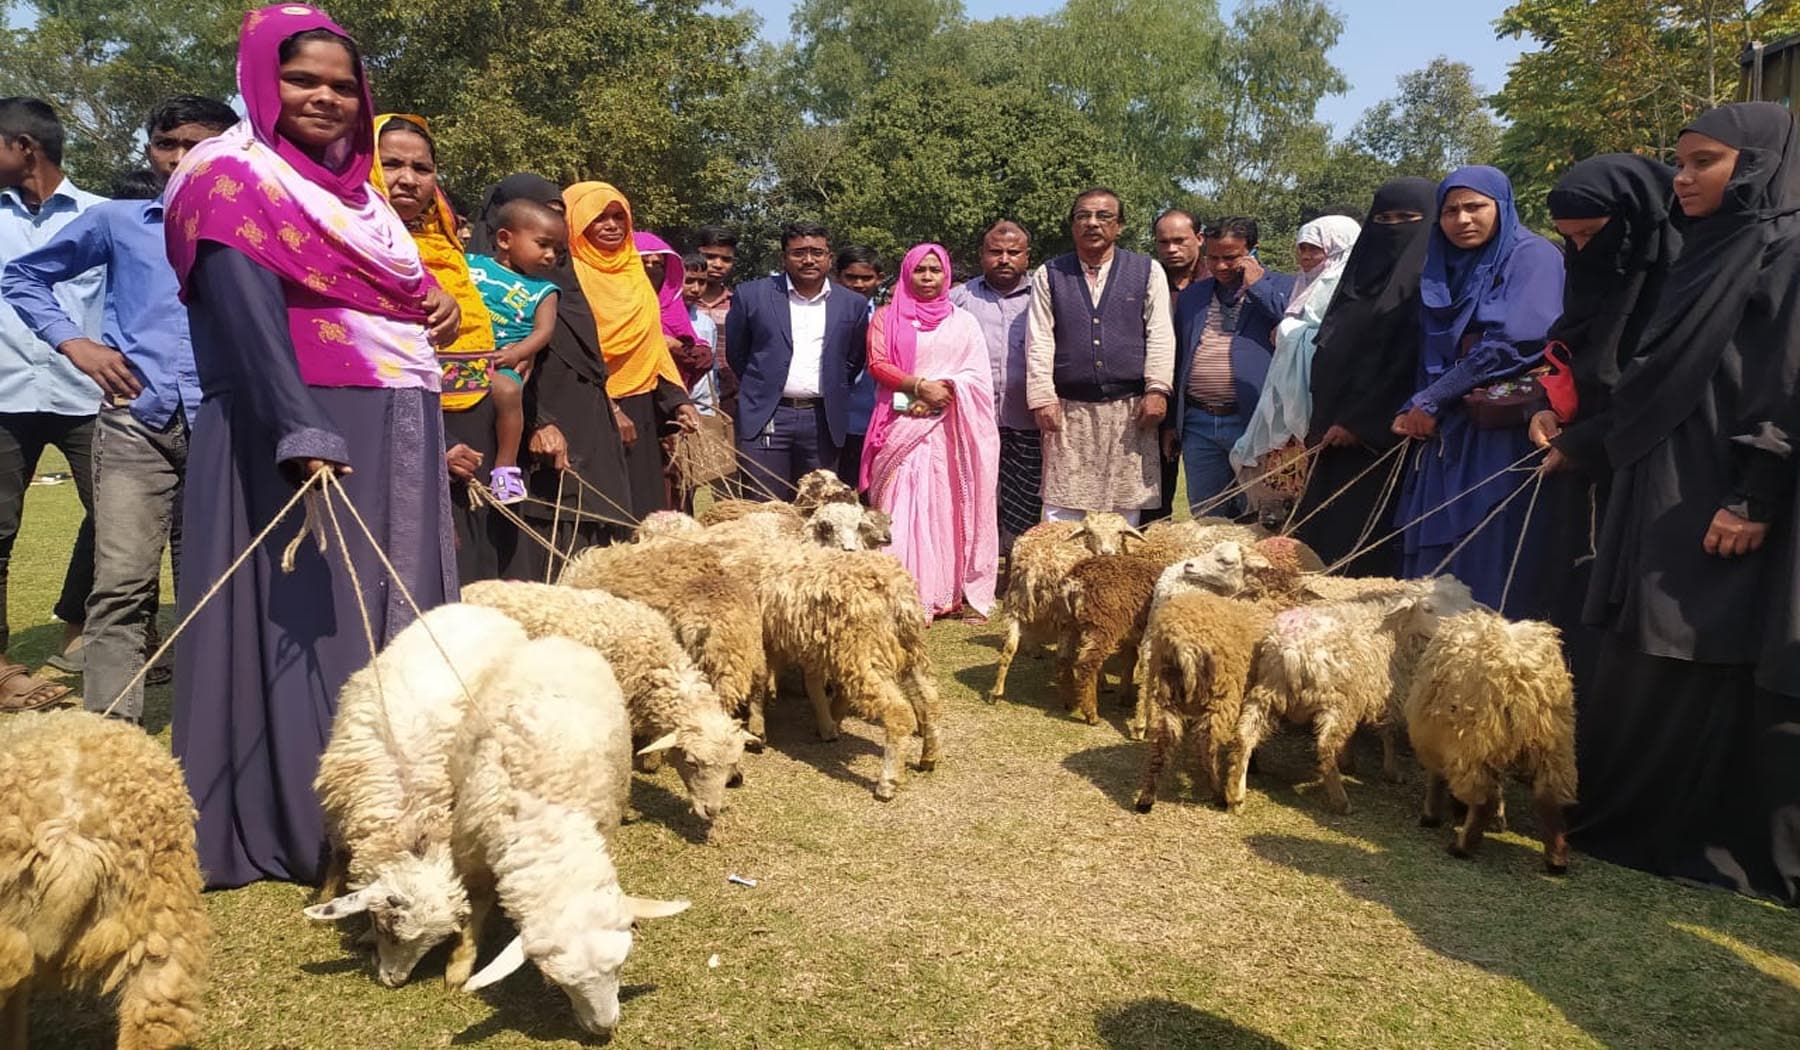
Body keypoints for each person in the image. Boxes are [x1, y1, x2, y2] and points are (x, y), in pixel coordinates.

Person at [163, 4, 460, 887]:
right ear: (261, 80)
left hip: (392, 415)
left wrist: (430, 307)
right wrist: (298, 424)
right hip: (297, 423)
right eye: (303, 80)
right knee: (312, 619)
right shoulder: (228, 177)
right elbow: (246, 316)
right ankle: (310, 817)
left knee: (391, 607)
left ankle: (402, 799)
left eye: (342, 84)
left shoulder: (362, 198)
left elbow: (392, 296)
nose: (326, 98)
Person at [1577, 104, 1800, 905]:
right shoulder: (1709, 247)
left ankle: (1697, 835)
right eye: (1680, 161)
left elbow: (1784, 380)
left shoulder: (1786, 247)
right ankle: (1631, 821)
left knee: (1692, 641)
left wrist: (1755, 492)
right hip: (1669, 476)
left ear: (1758, 164)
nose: (1683, 177)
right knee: (1651, 639)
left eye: (1705, 161)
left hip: (1724, 486)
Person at [1, 95, 236, 724]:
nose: (181, 158)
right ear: (150, 151)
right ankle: (111, 732)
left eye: (198, 143)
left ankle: (212, 725)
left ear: (233, 149)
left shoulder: (255, 225)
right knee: (122, 586)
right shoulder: (120, 222)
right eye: (167, 144)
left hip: (226, 426)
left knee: (214, 583)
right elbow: (22, 278)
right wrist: (75, 344)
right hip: (138, 425)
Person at [1525, 153, 1679, 692]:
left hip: (1649, 467)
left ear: (1633, 221)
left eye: (1592, 233)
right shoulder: (1588, 278)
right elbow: (1570, 353)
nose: (1583, 249)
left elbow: (1663, 384)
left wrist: (1588, 439)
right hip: (1583, 457)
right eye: (1571, 238)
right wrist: (1544, 409)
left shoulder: (1676, 281)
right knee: (1573, 583)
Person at [1391, 167, 1564, 616]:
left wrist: (1430, 400)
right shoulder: (1442, 266)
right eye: (1450, 210)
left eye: (1475, 207)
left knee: (1490, 553)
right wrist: (1419, 404)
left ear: (1501, 208)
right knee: (1434, 571)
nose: (1462, 220)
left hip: (1498, 438)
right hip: (1448, 435)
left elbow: (1511, 344)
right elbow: (1431, 349)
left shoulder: (1532, 257)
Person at [370, 113, 523, 583]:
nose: (408, 179)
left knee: (473, 561)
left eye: (422, 168)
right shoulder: (356, 241)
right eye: (391, 164)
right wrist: (437, 445)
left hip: (472, 410)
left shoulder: (445, 242)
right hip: (398, 422)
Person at [467, 174, 634, 565]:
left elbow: (584, 355)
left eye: (559, 221)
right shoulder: (481, 280)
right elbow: (503, 360)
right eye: (542, 221)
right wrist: (540, 421)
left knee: (595, 536)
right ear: (504, 232)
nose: (552, 250)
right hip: (535, 429)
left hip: (588, 426)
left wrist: (611, 406)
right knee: (540, 545)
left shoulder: (552, 284)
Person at [0, 96, 104, 705]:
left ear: (24, 148)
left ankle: (80, 634)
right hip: (5, 394)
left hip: (87, 397)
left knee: (116, 521)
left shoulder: (102, 217)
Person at [1292, 177, 1436, 576]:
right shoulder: (1357, 280)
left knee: (1367, 552)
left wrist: (1360, 423)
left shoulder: (1429, 286)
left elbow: (1408, 363)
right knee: (1319, 544)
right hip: (1332, 435)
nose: (1393, 228)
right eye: (1384, 218)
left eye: (1407, 218)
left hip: (1386, 443)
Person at [860, 243, 999, 619]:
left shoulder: (963, 322)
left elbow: (977, 378)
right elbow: (877, 364)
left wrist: (945, 390)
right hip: (899, 424)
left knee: (945, 508)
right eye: (919, 270)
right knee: (900, 509)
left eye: (934, 270)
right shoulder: (886, 318)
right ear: (906, 273)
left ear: (946, 275)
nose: (926, 277)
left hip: (950, 432)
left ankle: (944, 591)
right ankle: (896, 592)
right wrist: (919, 389)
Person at [1023, 188, 1175, 524]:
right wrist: (1042, 397)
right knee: (1062, 506)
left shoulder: (1147, 271)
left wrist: (1157, 390)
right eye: (1083, 216)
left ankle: (1115, 577)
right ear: (1072, 225)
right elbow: (1039, 339)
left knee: (1124, 507)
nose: (1093, 223)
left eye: (1103, 216)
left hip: (1130, 409)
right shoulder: (1050, 274)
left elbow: (1161, 334)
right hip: (1068, 409)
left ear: (1119, 225)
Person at [562, 182, 698, 519]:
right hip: (585, 406)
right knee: (599, 512)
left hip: (640, 404)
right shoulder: (566, 277)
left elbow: (651, 343)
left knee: (643, 508)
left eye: (618, 216)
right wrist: (610, 409)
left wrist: (678, 400)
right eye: (598, 218)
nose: (612, 226)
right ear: (575, 222)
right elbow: (569, 352)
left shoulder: (635, 272)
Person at [1231, 215, 1361, 524]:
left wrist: (1288, 331)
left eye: (1314, 250)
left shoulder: (1347, 289)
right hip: (1288, 405)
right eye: (1301, 249)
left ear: (1339, 249)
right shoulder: (1307, 286)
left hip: (1322, 409)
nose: (1305, 257)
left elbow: (1329, 338)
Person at [726, 221, 869, 498]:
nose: (808, 260)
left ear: (829, 257)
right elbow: (738, 354)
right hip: (768, 415)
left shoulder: (852, 304)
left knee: (819, 506)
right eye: (798, 252)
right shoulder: (752, 295)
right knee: (765, 507)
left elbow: (852, 361)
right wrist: (764, 388)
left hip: (823, 419)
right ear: (784, 257)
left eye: (817, 252)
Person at [1168, 217, 1295, 517]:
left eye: (1231, 257)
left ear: (1253, 251)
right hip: (1199, 422)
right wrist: (1173, 422)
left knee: (1260, 514)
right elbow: (1179, 357)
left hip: (1255, 421)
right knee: (1208, 517)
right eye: (1213, 258)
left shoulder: (1284, 287)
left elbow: (1292, 327)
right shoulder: (1193, 296)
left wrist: (1257, 286)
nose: (1221, 266)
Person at [467, 198, 565, 503]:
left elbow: (543, 331)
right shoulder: (470, 265)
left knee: (508, 391)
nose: (550, 256)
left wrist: (517, 354)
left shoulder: (544, 290)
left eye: (557, 250)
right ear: (505, 239)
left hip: (504, 358)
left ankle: (505, 467)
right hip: (460, 353)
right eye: (543, 245)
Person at [951, 220, 1036, 553]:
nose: (1004, 259)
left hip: (1028, 419)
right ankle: (974, 566)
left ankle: (1018, 569)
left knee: (1025, 498)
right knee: (975, 495)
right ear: (981, 255)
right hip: (972, 421)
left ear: (1026, 256)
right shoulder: (958, 299)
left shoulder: (1044, 296)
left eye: (1013, 252)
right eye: (995, 252)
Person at [1144, 209, 1207, 523]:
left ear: (1199, 238)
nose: (1171, 249)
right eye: (1163, 242)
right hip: (1157, 402)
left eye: (1180, 240)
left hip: (1204, 406)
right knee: (1153, 500)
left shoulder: (1221, 280)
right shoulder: (1147, 282)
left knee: (1213, 501)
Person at [834, 244, 884, 488]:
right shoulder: (824, 315)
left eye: (866, 278)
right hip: (833, 422)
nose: (858, 284)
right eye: (851, 277)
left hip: (874, 422)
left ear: (879, 279)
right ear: (837, 276)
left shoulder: (888, 319)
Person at [694, 224, 740, 420]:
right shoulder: (678, 304)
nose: (718, 264)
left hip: (730, 394)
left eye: (726, 259)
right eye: (710, 257)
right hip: (689, 391)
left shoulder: (738, 303)